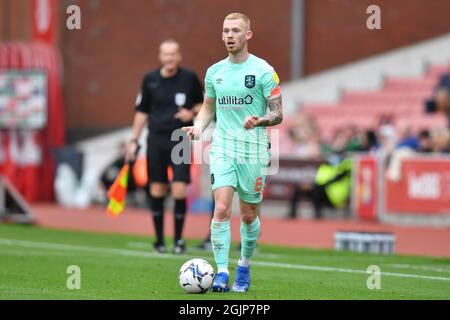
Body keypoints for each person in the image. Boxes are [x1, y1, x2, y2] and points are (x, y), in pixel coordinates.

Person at [182, 13, 283, 293]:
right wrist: (199, 127)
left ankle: (244, 264)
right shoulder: (215, 72)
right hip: (223, 147)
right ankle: (222, 273)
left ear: (248, 35)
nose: (229, 35)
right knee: (222, 209)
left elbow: (278, 113)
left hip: (253, 150)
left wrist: (260, 120)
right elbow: (208, 107)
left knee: (249, 215)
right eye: (226, 30)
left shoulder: (264, 71)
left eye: (236, 31)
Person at [126, 39, 204, 254]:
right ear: (160, 57)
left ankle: (178, 240)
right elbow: (141, 111)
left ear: (179, 56)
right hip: (156, 139)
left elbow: (204, 104)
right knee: (157, 188)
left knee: (179, 187)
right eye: (166, 54)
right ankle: (159, 240)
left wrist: (191, 113)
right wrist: (134, 141)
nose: (170, 58)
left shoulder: (189, 78)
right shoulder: (150, 79)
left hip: (180, 137)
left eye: (173, 54)